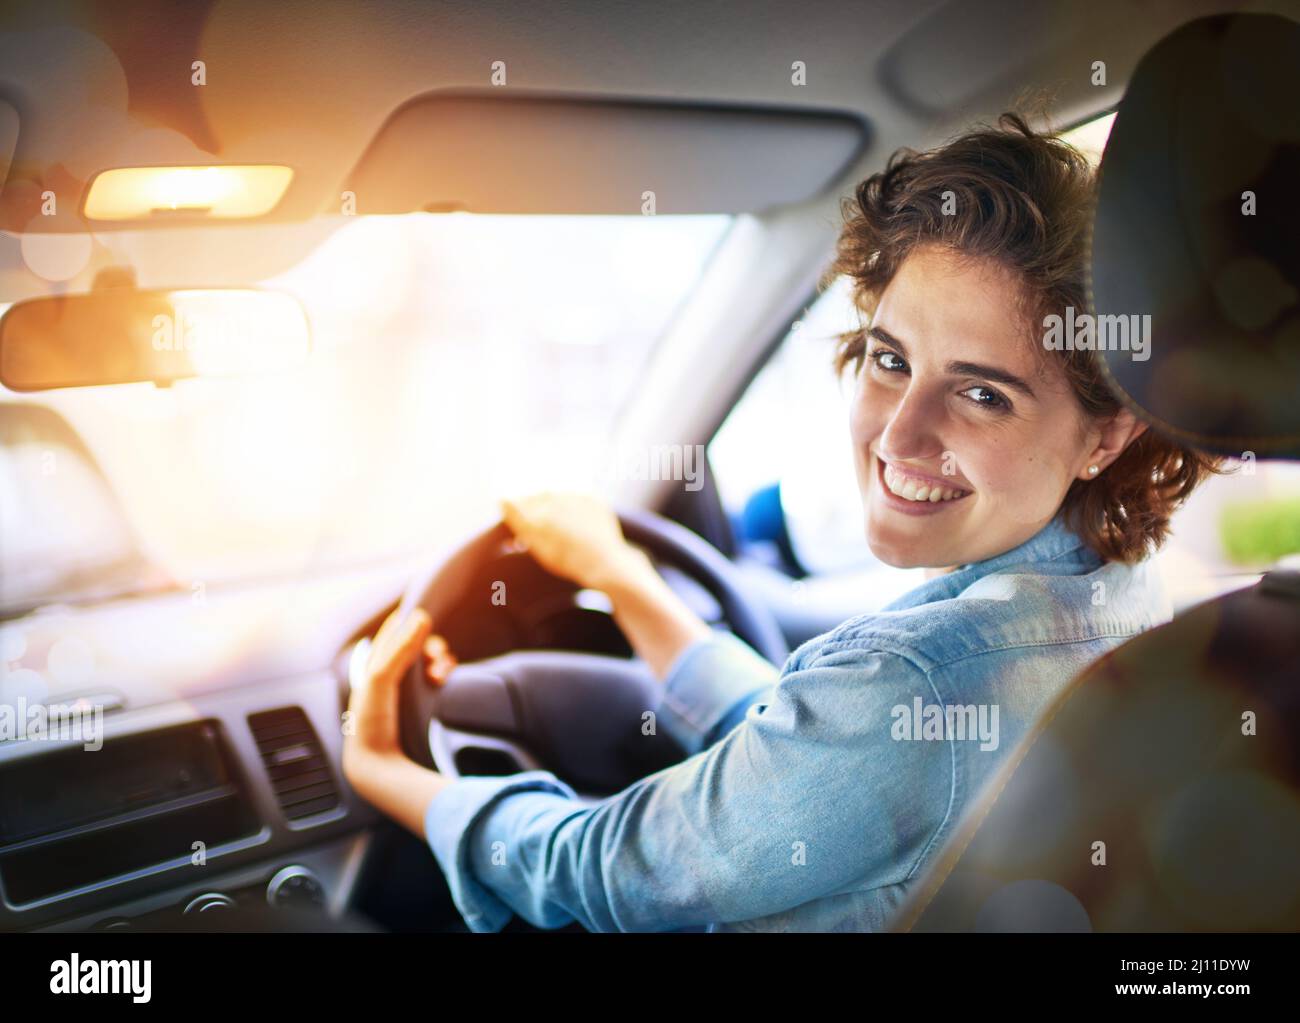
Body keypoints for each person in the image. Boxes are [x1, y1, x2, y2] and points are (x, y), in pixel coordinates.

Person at [341, 113, 1222, 932]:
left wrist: (387, 772)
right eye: (889, 359)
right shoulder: (1115, 595)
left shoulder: (914, 678)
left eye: (983, 393)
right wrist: (622, 582)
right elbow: (808, 765)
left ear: (1107, 432)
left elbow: (619, 870)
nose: (899, 433)